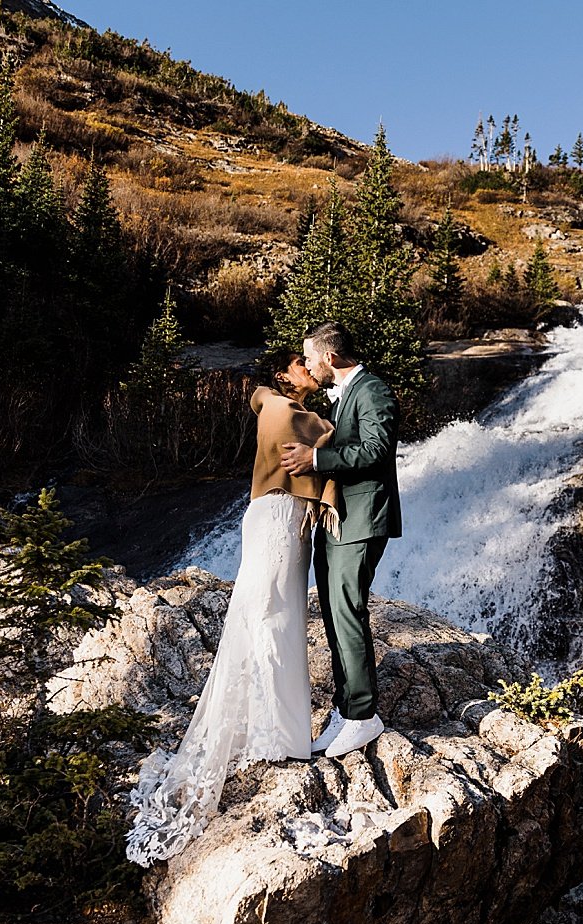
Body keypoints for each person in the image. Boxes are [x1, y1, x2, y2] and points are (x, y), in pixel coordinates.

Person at [124, 350, 339, 866]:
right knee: (269, 613)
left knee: (277, 616)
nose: (312, 372)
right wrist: (330, 437)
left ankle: (278, 727)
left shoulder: (275, 403)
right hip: (277, 519)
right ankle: (277, 731)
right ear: (286, 371)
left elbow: (288, 419)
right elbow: (330, 439)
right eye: (303, 366)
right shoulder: (285, 410)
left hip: (280, 519)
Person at [279, 320, 402, 759]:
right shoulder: (342, 394)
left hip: (363, 519)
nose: (309, 366)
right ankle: (345, 709)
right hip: (338, 520)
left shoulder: (372, 390)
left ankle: (364, 716)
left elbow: (376, 449)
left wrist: (315, 458)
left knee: (348, 612)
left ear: (330, 357)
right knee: (333, 614)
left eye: (310, 358)